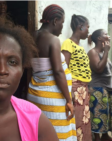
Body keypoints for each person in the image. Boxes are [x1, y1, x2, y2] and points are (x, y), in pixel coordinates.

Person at [27, 4, 76, 141]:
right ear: (55, 21)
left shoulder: (31, 36)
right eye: (62, 22)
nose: (62, 27)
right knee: (56, 132)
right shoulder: (53, 40)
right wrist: (68, 100)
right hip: (52, 97)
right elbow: (58, 72)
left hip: (35, 92)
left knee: (41, 132)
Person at [61, 14, 92, 141]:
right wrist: (69, 92)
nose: (88, 31)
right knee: (77, 122)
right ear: (81, 27)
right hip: (75, 89)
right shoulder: (68, 43)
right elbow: (64, 68)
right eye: (87, 27)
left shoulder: (80, 46)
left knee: (83, 122)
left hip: (83, 90)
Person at [87, 29, 112, 141]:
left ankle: (105, 136)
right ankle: (97, 138)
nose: (108, 36)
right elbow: (99, 69)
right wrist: (106, 52)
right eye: (105, 34)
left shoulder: (103, 52)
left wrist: (105, 52)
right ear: (99, 38)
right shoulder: (93, 52)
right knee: (98, 114)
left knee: (106, 114)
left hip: (107, 88)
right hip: (97, 88)